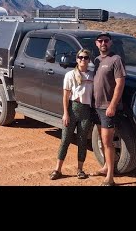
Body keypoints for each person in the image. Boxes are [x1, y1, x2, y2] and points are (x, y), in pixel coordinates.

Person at [49, 49, 95, 181]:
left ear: (89, 60)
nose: (83, 60)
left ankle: (80, 169)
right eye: (80, 57)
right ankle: (57, 169)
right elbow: (66, 95)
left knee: (82, 141)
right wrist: (65, 113)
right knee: (65, 140)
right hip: (72, 109)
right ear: (76, 59)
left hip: (86, 111)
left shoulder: (92, 75)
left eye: (86, 58)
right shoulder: (70, 75)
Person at [92, 32, 126, 186]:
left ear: (110, 43)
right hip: (96, 106)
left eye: (106, 40)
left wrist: (112, 105)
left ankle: (110, 177)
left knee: (107, 142)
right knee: (101, 139)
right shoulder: (97, 60)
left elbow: (120, 84)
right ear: (96, 43)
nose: (103, 43)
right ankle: (105, 167)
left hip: (107, 107)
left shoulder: (116, 59)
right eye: (100, 41)